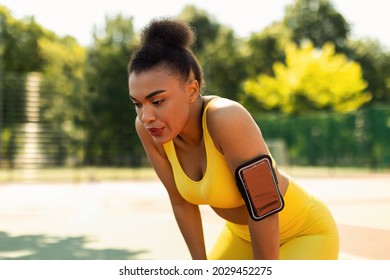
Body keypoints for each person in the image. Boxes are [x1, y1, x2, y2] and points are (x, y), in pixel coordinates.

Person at [127, 17, 339, 260]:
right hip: (242, 235)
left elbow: (264, 206)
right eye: (137, 104)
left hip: (303, 232)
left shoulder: (226, 118)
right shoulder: (149, 130)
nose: (146, 116)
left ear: (192, 90)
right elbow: (181, 202)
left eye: (157, 101)